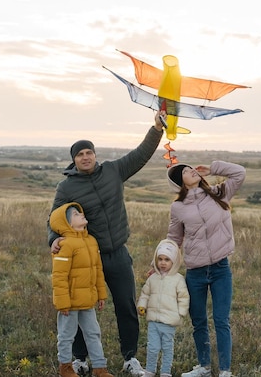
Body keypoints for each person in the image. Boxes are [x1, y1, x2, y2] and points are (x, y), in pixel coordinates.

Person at [48, 111, 165, 377]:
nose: (85, 157)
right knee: (79, 307)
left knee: (126, 304)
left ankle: (130, 358)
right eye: (80, 154)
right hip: (87, 257)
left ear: (95, 155)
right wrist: (54, 239)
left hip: (118, 254)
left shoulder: (113, 171)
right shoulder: (66, 188)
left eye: (88, 152)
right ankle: (79, 359)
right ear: (74, 160)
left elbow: (140, 155)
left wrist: (156, 129)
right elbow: (54, 219)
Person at [165, 161, 246, 377]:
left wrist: (214, 169)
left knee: (221, 320)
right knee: (198, 320)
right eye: (184, 171)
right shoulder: (178, 207)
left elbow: (240, 173)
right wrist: (161, 261)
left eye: (190, 167)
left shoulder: (219, 193)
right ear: (179, 183)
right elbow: (174, 238)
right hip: (196, 272)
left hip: (221, 268)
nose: (190, 170)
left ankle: (225, 371)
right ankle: (204, 367)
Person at [51, 203, 114, 377]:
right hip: (69, 303)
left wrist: (101, 294)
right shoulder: (65, 245)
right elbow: (59, 276)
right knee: (66, 336)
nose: (81, 215)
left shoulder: (91, 241)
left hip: (88, 301)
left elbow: (98, 270)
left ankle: (100, 368)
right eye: (76, 214)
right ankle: (65, 368)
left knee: (94, 333)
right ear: (66, 223)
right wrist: (62, 302)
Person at [137, 239, 190, 377]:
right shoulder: (152, 278)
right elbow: (145, 293)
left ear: (173, 261)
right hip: (153, 320)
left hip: (169, 322)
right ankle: (150, 370)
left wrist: (180, 313)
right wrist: (142, 305)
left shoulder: (178, 279)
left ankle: (165, 372)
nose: (163, 263)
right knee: (153, 347)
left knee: (167, 348)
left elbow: (183, 297)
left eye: (167, 259)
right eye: (160, 259)